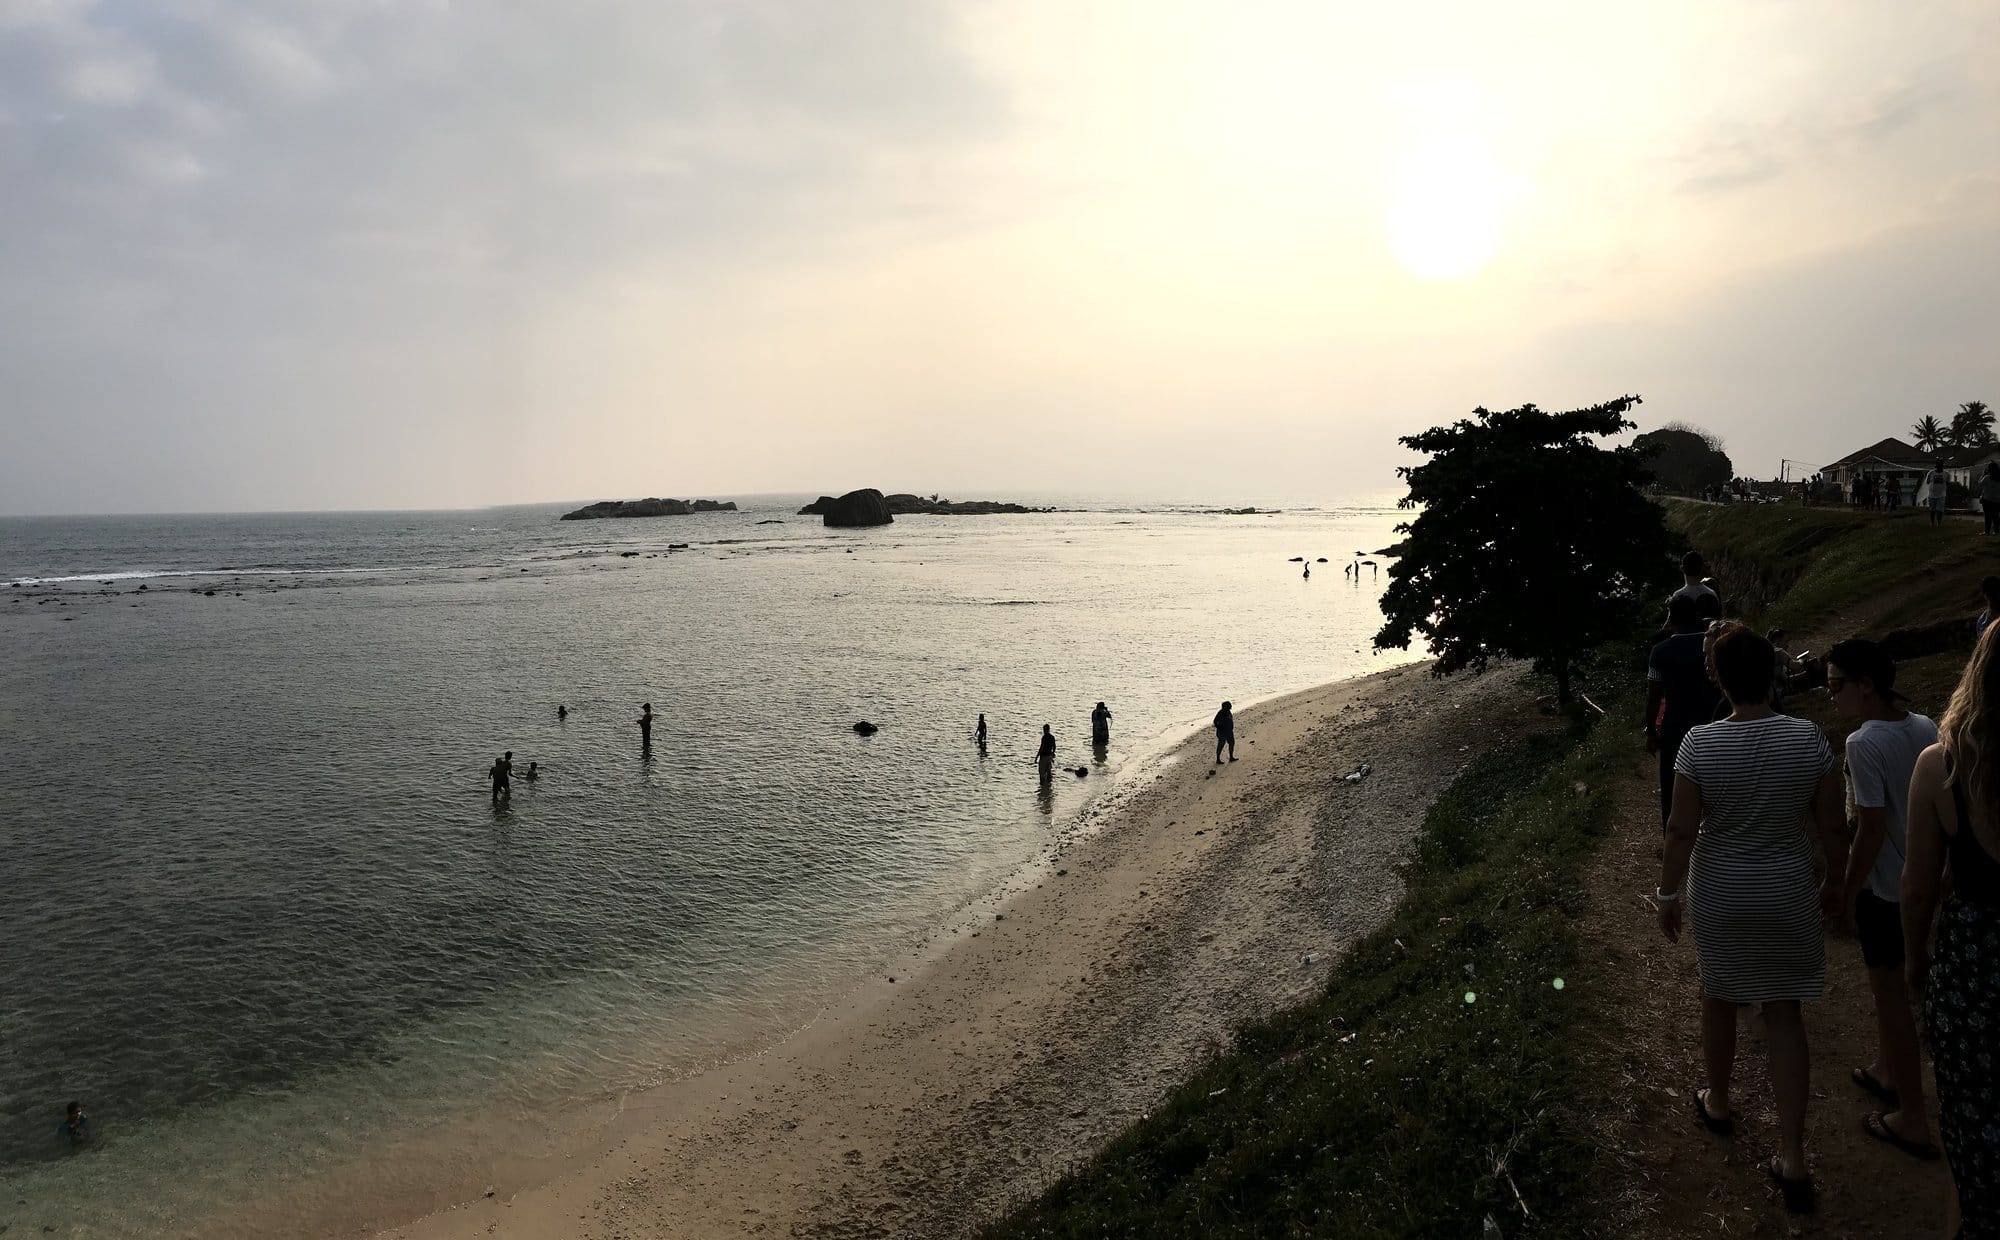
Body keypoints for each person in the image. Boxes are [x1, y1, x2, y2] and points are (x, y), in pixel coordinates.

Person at [1658, 624, 1849, 1213]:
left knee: (1719, 998)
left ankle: (1717, 1102)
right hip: (1787, 888)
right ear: (1772, 672)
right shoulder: (1808, 738)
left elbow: (1681, 830)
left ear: (1717, 678)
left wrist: (1667, 893)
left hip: (1721, 891)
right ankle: (1793, 1158)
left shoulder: (1699, 744)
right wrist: (1837, 882)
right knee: (1784, 1012)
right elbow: (1832, 824)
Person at [1825, 639, 1940, 1159]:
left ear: (1865, 685)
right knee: (1889, 991)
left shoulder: (1862, 743)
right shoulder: (1924, 727)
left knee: (1892, 999)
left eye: (1835, 685)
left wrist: (1847, 890)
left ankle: (1912, 1117)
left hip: (1885, 888)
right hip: (1923, 881)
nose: (1831, 696)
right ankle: (1886, 1068)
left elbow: (1869, 828)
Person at [1904, 626, 2000, 1234]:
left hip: (1973, 975)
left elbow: (1916, 889)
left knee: (1974, 1129)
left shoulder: (1941, 766)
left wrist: (1916, 962)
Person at [1645, 595, 1722, 823]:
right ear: (1696, 615)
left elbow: (1653, 696)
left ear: (1671, 619)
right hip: (1713, 722)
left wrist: (1651, 731)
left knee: (1672, 789)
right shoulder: (1711, 645)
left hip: (1675, 728)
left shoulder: (1660, 652)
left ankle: (1674, 834)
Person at [1925, 462, 1949, 526]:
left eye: (1940, 467)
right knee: (1932, 510)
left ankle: (1939, 523)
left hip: (1942, 495)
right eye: (1938, 466)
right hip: (1932, 494)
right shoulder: (1931, 473)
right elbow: (1927, 482)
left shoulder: (1946, 474)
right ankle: (1932, 523)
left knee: (1940, 510)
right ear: (1936, 467)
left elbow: (1948, 482)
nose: (1939, 468)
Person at [1981, 463, 2000, 536]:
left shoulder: (1987, 477)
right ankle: (1996, 531)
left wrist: (1983, 474)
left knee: (1987, 516)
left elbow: (1979, 484)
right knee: (1996, 516)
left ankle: (1987, 531)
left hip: (1987, 499)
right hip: (1997, 500)